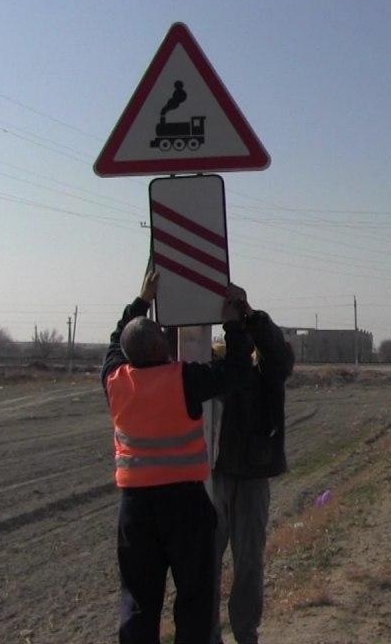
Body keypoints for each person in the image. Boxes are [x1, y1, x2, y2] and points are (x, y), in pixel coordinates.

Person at [103, 268, 253, 644]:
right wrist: (234, 322)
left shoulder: (115, 382)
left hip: (136, 510)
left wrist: (141, 301)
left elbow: (115, 343)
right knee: (195, 602)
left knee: (139, 604)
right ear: (162, 348)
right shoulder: (183, 380)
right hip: (184, 506)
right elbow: (238, 370)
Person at [210, 285, 295, 644]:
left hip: (250, 475)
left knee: (247, 562)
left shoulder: (266, 372)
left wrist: (250, 316)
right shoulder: (215, 369)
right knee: (206, 562)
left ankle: (245, 632)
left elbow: (280, 357)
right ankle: (209, 633)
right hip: (211, 476)